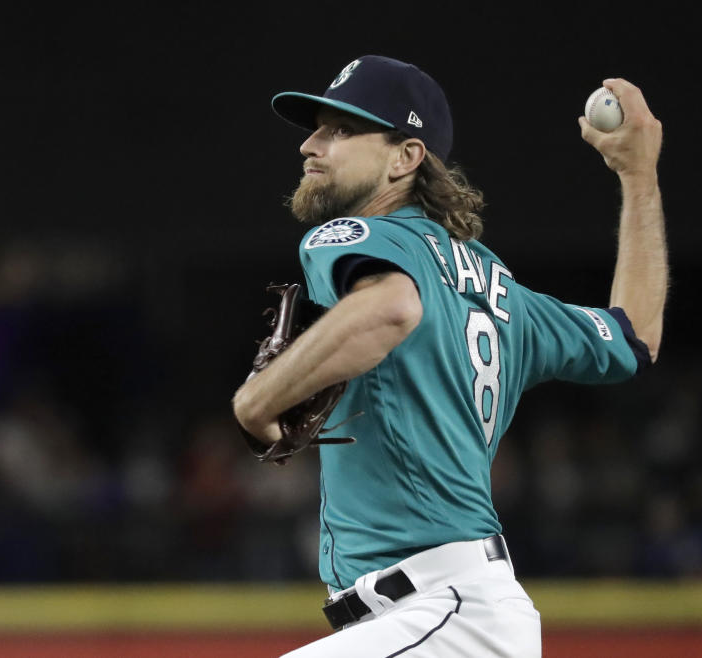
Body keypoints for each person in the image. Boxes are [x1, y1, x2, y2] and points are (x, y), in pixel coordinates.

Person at [232, 55, 666, 657]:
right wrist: (639, 178)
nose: (310, 145)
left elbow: (392, 307)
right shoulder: (507, 296)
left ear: (405, 157)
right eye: (315, 128)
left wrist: (257, 401)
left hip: (442, 614)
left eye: (339, 130)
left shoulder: (356, 236)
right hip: (454, 615)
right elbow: (635, 335)